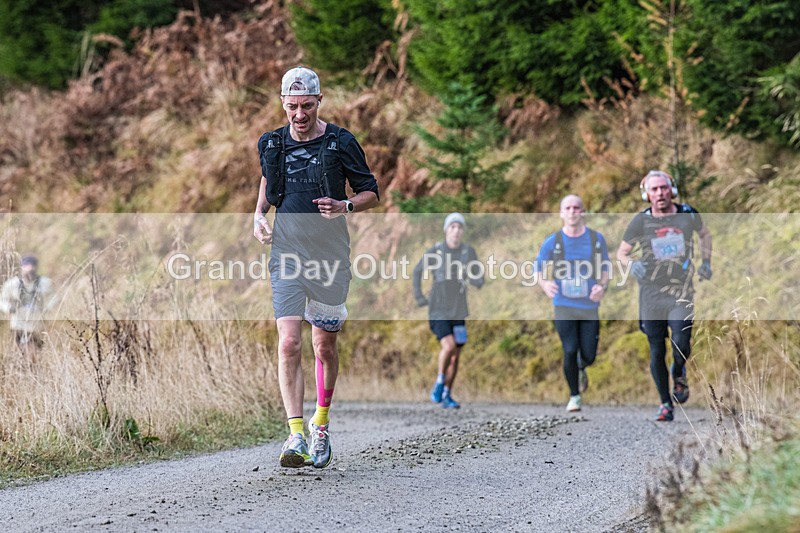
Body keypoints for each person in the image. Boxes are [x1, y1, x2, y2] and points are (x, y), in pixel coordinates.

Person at [252, 66, 380, 468]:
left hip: (329, 258)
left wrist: (344, 206)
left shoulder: (341, 142)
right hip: (287, 255)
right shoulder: (270, 143)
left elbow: (370, 193)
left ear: (319, 101)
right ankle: (295, 435)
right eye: (292, 106)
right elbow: (267, 184)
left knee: (323, 345)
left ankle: (320, 425)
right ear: (283, 104)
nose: (300, 114)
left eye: (307, 105)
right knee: (289, 342)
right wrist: (258, 215)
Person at [617, 170, 712, 422]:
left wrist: (706, 262)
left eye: (663, 188)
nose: (659, 194)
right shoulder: (640, 221)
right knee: (656, 349)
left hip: (680, 290)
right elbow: (622, 253)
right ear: (646, 194)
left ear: (672, 189)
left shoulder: (688, 214)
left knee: (681, 341)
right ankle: (664, 403)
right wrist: (630, 264)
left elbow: (705, 234)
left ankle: (678, 371)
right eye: (654, 189)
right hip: (651, 294)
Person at [534, 195, 610, 412]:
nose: (572, 211)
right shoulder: (554, 242)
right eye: (567, 208)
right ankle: (574, 396)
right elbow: (538, 267)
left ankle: (581, 367)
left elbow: (605, 268)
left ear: (583, 212)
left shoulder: (596, 239)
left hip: (589, 306)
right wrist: (545, 284)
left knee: (589, 355)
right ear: (561, 213)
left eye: (577, 207)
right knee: (569, 349)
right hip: (563, 304)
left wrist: (601, 287)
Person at [413, 212, 484, 409]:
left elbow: (478, 275)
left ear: (463, 231)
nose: (456, 231)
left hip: (459, 310)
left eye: (459, 227)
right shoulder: (436, 251)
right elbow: (417, 271)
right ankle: (438, 383)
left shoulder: (468, 252)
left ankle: (447, 394)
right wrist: (419, 297)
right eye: (452, 227)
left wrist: (477, 280)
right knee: (449, 346)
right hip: (438, 308)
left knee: (456, 355)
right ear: (446, 230)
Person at [0, 255, 56, 362]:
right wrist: (8, 308)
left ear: (36, 267)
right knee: (21, 351)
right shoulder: (12, 284)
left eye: (32, 267)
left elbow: (55, 298)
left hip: (37, 324)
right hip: (18, 324)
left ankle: (33, 369)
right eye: (26, 267)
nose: (29, 270)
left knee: (36, 352)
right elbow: (2, 300)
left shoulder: (45, 283)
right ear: (21, 267)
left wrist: (47, 309)